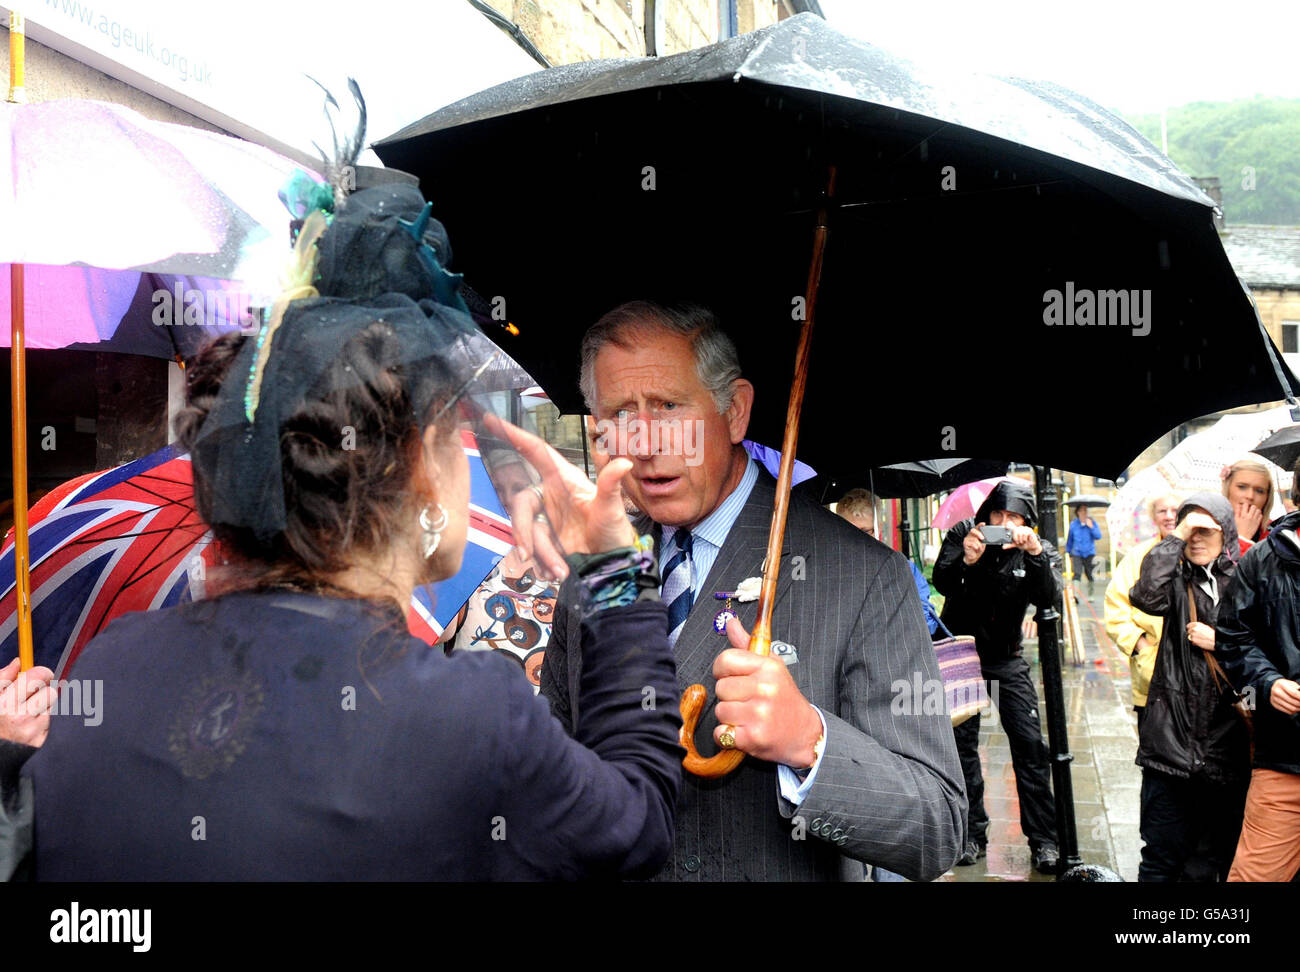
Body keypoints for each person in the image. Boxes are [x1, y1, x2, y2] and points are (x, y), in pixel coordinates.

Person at [2, 182, 685, 881]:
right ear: (423, 458)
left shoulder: (115, 666)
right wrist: (613, 572)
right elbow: (638, 819)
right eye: (456, 438)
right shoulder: (470, 720)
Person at [542, 300, 966, 882]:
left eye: (668, 407)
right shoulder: (595, 566)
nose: (643, 443)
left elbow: (936, 827)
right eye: (620, 414)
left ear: (735, 411)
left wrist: (810, 742)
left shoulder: (865, 577)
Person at [931, 479, 1062, 874]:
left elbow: (1048, 599)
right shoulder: (964, 533)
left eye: (1013, 517)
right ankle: (971, 834)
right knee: (961, 746)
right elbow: (942, 582)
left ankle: (1044, 841)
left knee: (1029, 743)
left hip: (1007, 657)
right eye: (998, 516)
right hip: (962, 653)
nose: (1004, 523)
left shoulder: (1035, 549)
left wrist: (1035, 553)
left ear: (1027, 521)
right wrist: (966, 560)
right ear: (986, 515)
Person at [1128, 493, 1249, 882]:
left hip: (1226, 749)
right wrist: (1175, 536)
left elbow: (1265, 648)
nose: (1196, 538)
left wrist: (1222, 642)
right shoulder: (1175, 581)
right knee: (1161, 857)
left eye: (1205, 529)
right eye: (1188, 529)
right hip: (1170, 748)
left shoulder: (1246, 578)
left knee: (1211, 860)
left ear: (1225, 531)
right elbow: (1145, 595)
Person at [1216, 463, 1300, 881]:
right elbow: (1232, 635)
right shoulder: (1265, 558)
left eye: (1258, 489)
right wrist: (1268, 682)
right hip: (1285, 757)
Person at [1105, 493, 1180, 730]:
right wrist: (1141, 646)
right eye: (1162, 511)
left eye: (1175, 510)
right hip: (1151, 678)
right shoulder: (1139, 556)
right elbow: (1116, 606)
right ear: (1153, 517)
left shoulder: (1199, 552)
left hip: (1195, 678)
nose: (1169, 516)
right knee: (1154, 753)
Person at [836, 488, 940, 636]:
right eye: (848, 531)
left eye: (865, 531)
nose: (856, 538)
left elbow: (928, 623)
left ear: (879, 528)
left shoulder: (901, 568)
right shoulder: (831, 571)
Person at [1222, 457, 1274, 553]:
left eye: (1259, 491)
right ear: (1228, 488)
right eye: (1242, 487)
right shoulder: (1210, 527)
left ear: (1267, 497)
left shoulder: (1276, 534)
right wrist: (1242, 538)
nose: (1250, 496)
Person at [1066, 504, 1103, 596]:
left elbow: (1098, 536)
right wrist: (1069, 552)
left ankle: (1091, 594)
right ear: (1077, 512)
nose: (1084, 513)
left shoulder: (1092, 523)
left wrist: (1091, 527)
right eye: (1081, 511)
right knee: (1077, 573)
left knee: (1090, 574)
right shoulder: (1074, 524)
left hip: (1089, 552)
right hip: (1077, 552)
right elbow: (1070, 539)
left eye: (1085, 510)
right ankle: (1075, 595)